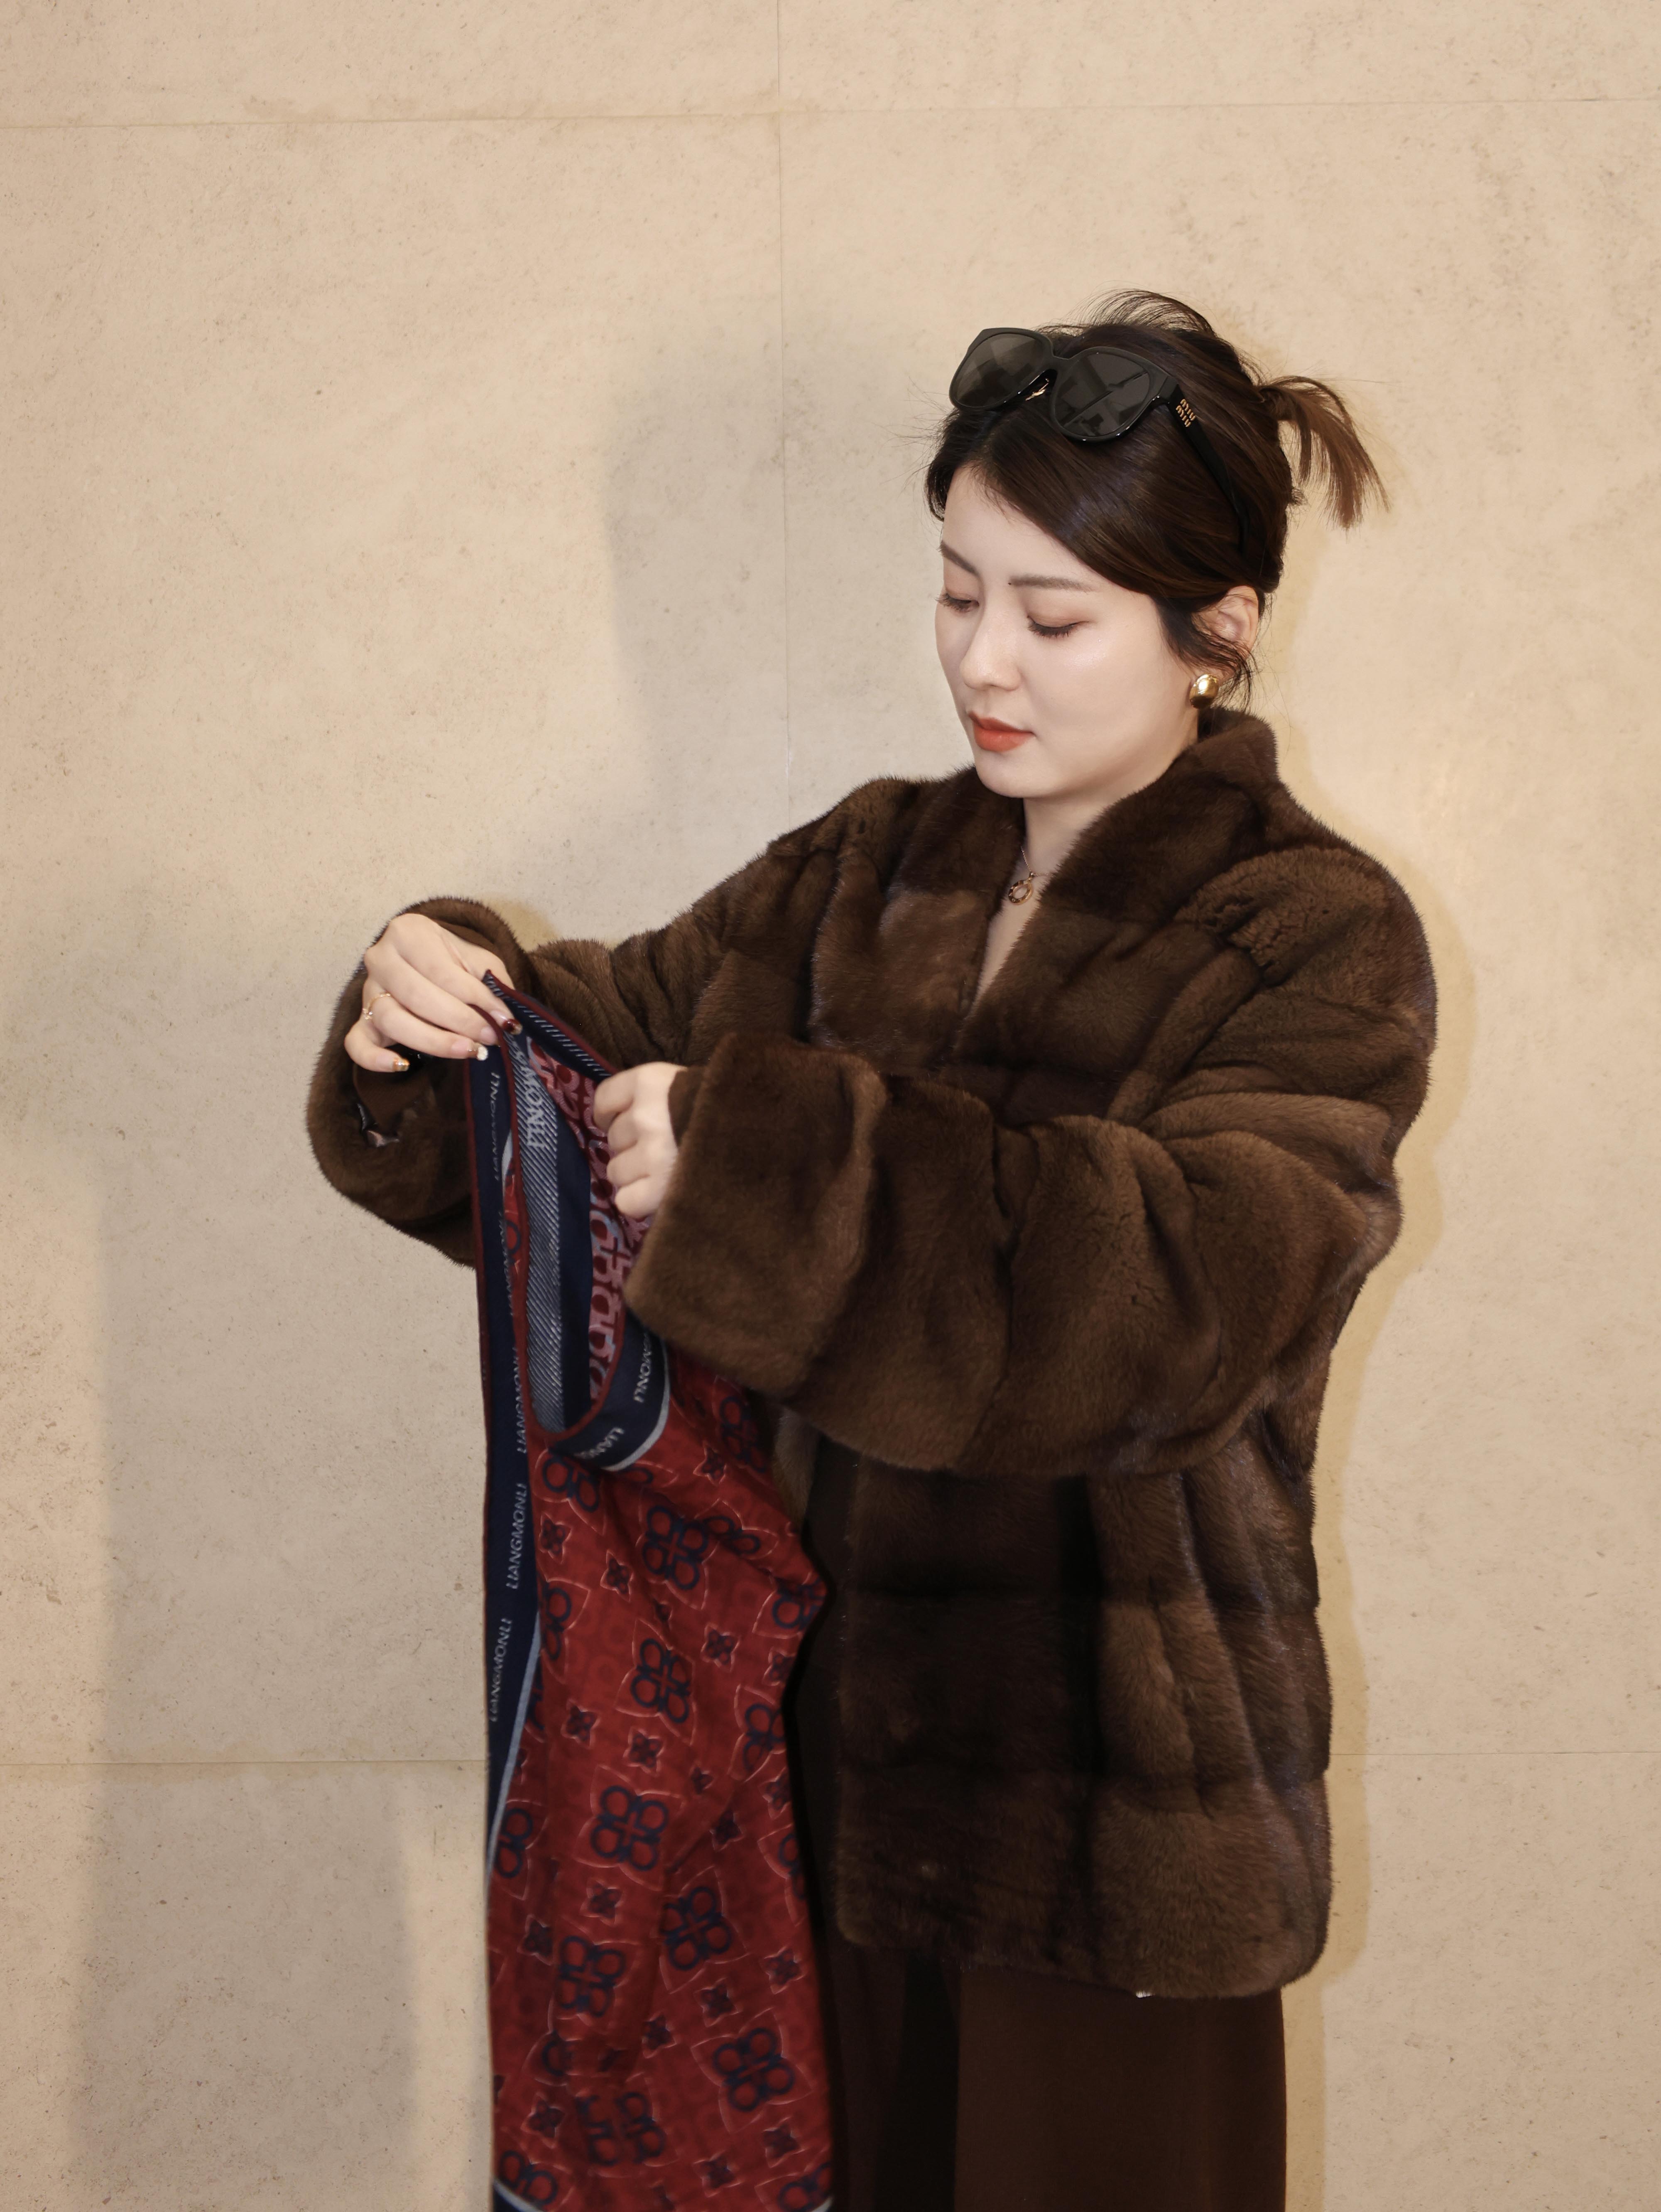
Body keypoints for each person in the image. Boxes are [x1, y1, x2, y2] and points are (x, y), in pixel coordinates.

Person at [307, 289, 1437, 2211]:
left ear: (1221, 627)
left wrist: (763, 1171)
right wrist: (430, 1008)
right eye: (956, 592)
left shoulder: (1309, 934)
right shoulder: (864, 871)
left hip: (1110, 1849)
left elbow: (1175, 1308)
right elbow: (572, 1059)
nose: (983, 659)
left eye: (1054, 617)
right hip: (800, 1807)